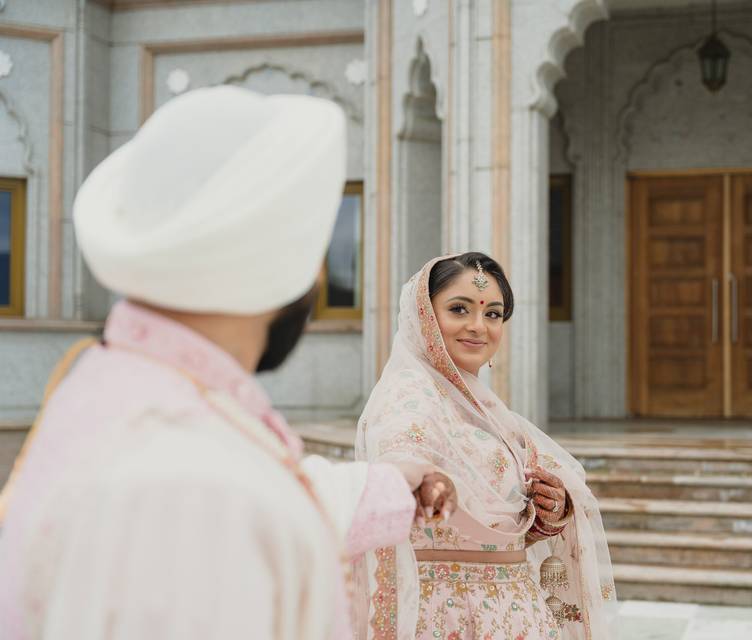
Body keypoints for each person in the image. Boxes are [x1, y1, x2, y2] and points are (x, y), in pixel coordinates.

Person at [0, 86, 454, 640]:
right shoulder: (195, 490)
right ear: (282, 262)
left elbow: (262, 499)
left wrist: (385, 485)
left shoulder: (114, 382)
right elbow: (220, 507)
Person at [352, 253, 617, 639]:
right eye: (459, 309)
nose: (478, 326)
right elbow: (398, 464)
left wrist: (551, 506)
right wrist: (417, 477)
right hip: (447, 615)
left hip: (517, 610)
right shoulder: (409, 395)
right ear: (422, 316)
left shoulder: (490, 413)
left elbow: (508, 518)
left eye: (493, 314)